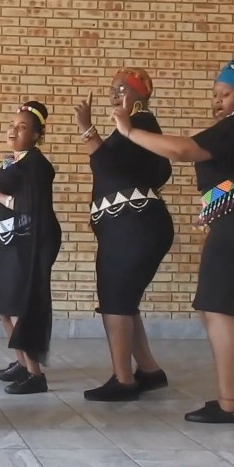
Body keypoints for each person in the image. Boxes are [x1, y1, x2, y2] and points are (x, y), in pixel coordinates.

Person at [109, 55, 234, 423]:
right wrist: (213, 205)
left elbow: (182, 150)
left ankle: (229, 404)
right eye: (216, 94)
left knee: (217, 311)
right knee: (213, 309)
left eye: (226, 94)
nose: (218, 100)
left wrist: (128, 130)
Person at [75, 69, 174, 402]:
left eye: (122, 89)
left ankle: (123, 380)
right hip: (129, 226)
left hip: (132, 227)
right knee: (124, 302)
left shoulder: (140, 123)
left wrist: (87, 128)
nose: (115, 95)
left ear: (140, 95)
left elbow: (107, 166)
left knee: (115, 302)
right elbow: (122, 166)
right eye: (113, 90)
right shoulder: (135, 127)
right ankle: (148, 370)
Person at [0, 101, 62, 395]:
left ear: (36, 135)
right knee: (4, 304)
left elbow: (32, 207)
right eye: (12, 125)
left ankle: (36, 374)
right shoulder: (13, 161)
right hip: (9, 240)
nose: (13, 130)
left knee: (21, 305)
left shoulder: (38, 166)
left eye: (22, 127)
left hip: (29, 244)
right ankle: (21, 362)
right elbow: (11, 199)